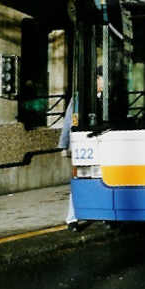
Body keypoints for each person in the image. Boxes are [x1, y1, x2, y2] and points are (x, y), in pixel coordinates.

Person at [59, 97, 78, 229]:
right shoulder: (78, 98)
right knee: (78, 182)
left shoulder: (111, 95)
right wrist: (64, 143)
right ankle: (72, 218)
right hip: (82, 145)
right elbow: (69, 121)